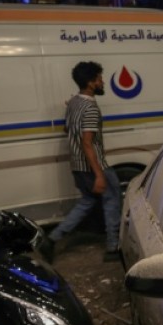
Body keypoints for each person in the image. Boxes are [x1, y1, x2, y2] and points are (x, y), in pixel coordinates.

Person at [43, 61, 122, 263]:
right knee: (112, 201)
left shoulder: (73, 104)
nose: (103, 82)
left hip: (77, 166)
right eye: (99, 79)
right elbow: (87, 143)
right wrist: (99, 175)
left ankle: (52, 238)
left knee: (87, 202)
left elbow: (67, 131)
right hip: (93, 165)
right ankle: (113, 248)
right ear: (90, 83)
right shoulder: (91, 108)